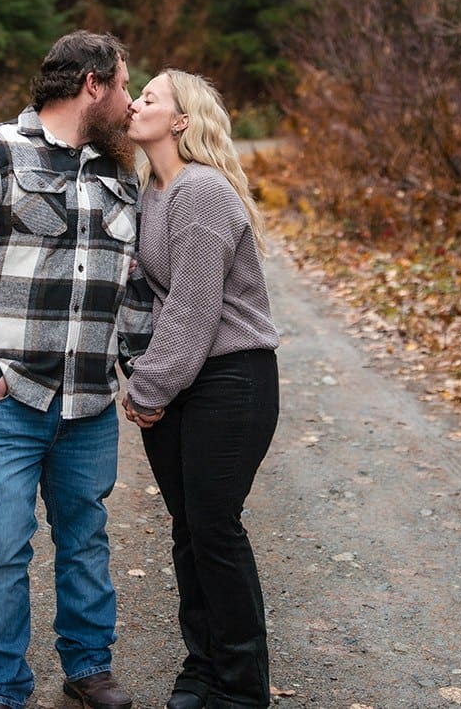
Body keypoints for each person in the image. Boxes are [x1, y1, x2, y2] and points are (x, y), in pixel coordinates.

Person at [0, 30, 140, 709]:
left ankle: (88, 665)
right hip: (5, 398)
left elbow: (130, 287)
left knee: (85, 537)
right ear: (94, 84)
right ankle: (4, 688)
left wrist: (141, 372)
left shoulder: (118, 172)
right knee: (2, 547)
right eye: (126, 85)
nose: (131, 101)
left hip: (90, 403)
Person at [119, 70, 281, 709]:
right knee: (189, 528)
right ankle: (203, 669)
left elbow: (193, 307)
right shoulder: (150, 193)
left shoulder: (202, 192)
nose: (135, 103)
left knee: (214, 527)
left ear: (181, 121)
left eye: (150, 97)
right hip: (185, 378)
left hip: (232, 379)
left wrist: (148, 387)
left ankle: (241, 687)